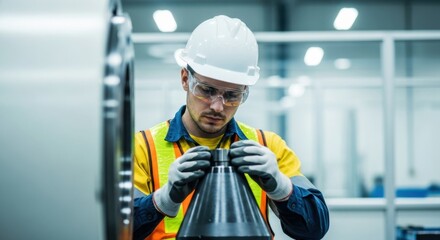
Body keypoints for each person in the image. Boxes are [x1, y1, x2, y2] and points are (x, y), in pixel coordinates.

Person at [133, 15, 329, 240]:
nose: (218, 106)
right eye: (206, 90)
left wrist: (282, 188)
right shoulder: (143, 148)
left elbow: (315, 229)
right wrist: (164, 200)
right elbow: (117, 229)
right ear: (185, 79)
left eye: (232, 95)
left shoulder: (267, 146)